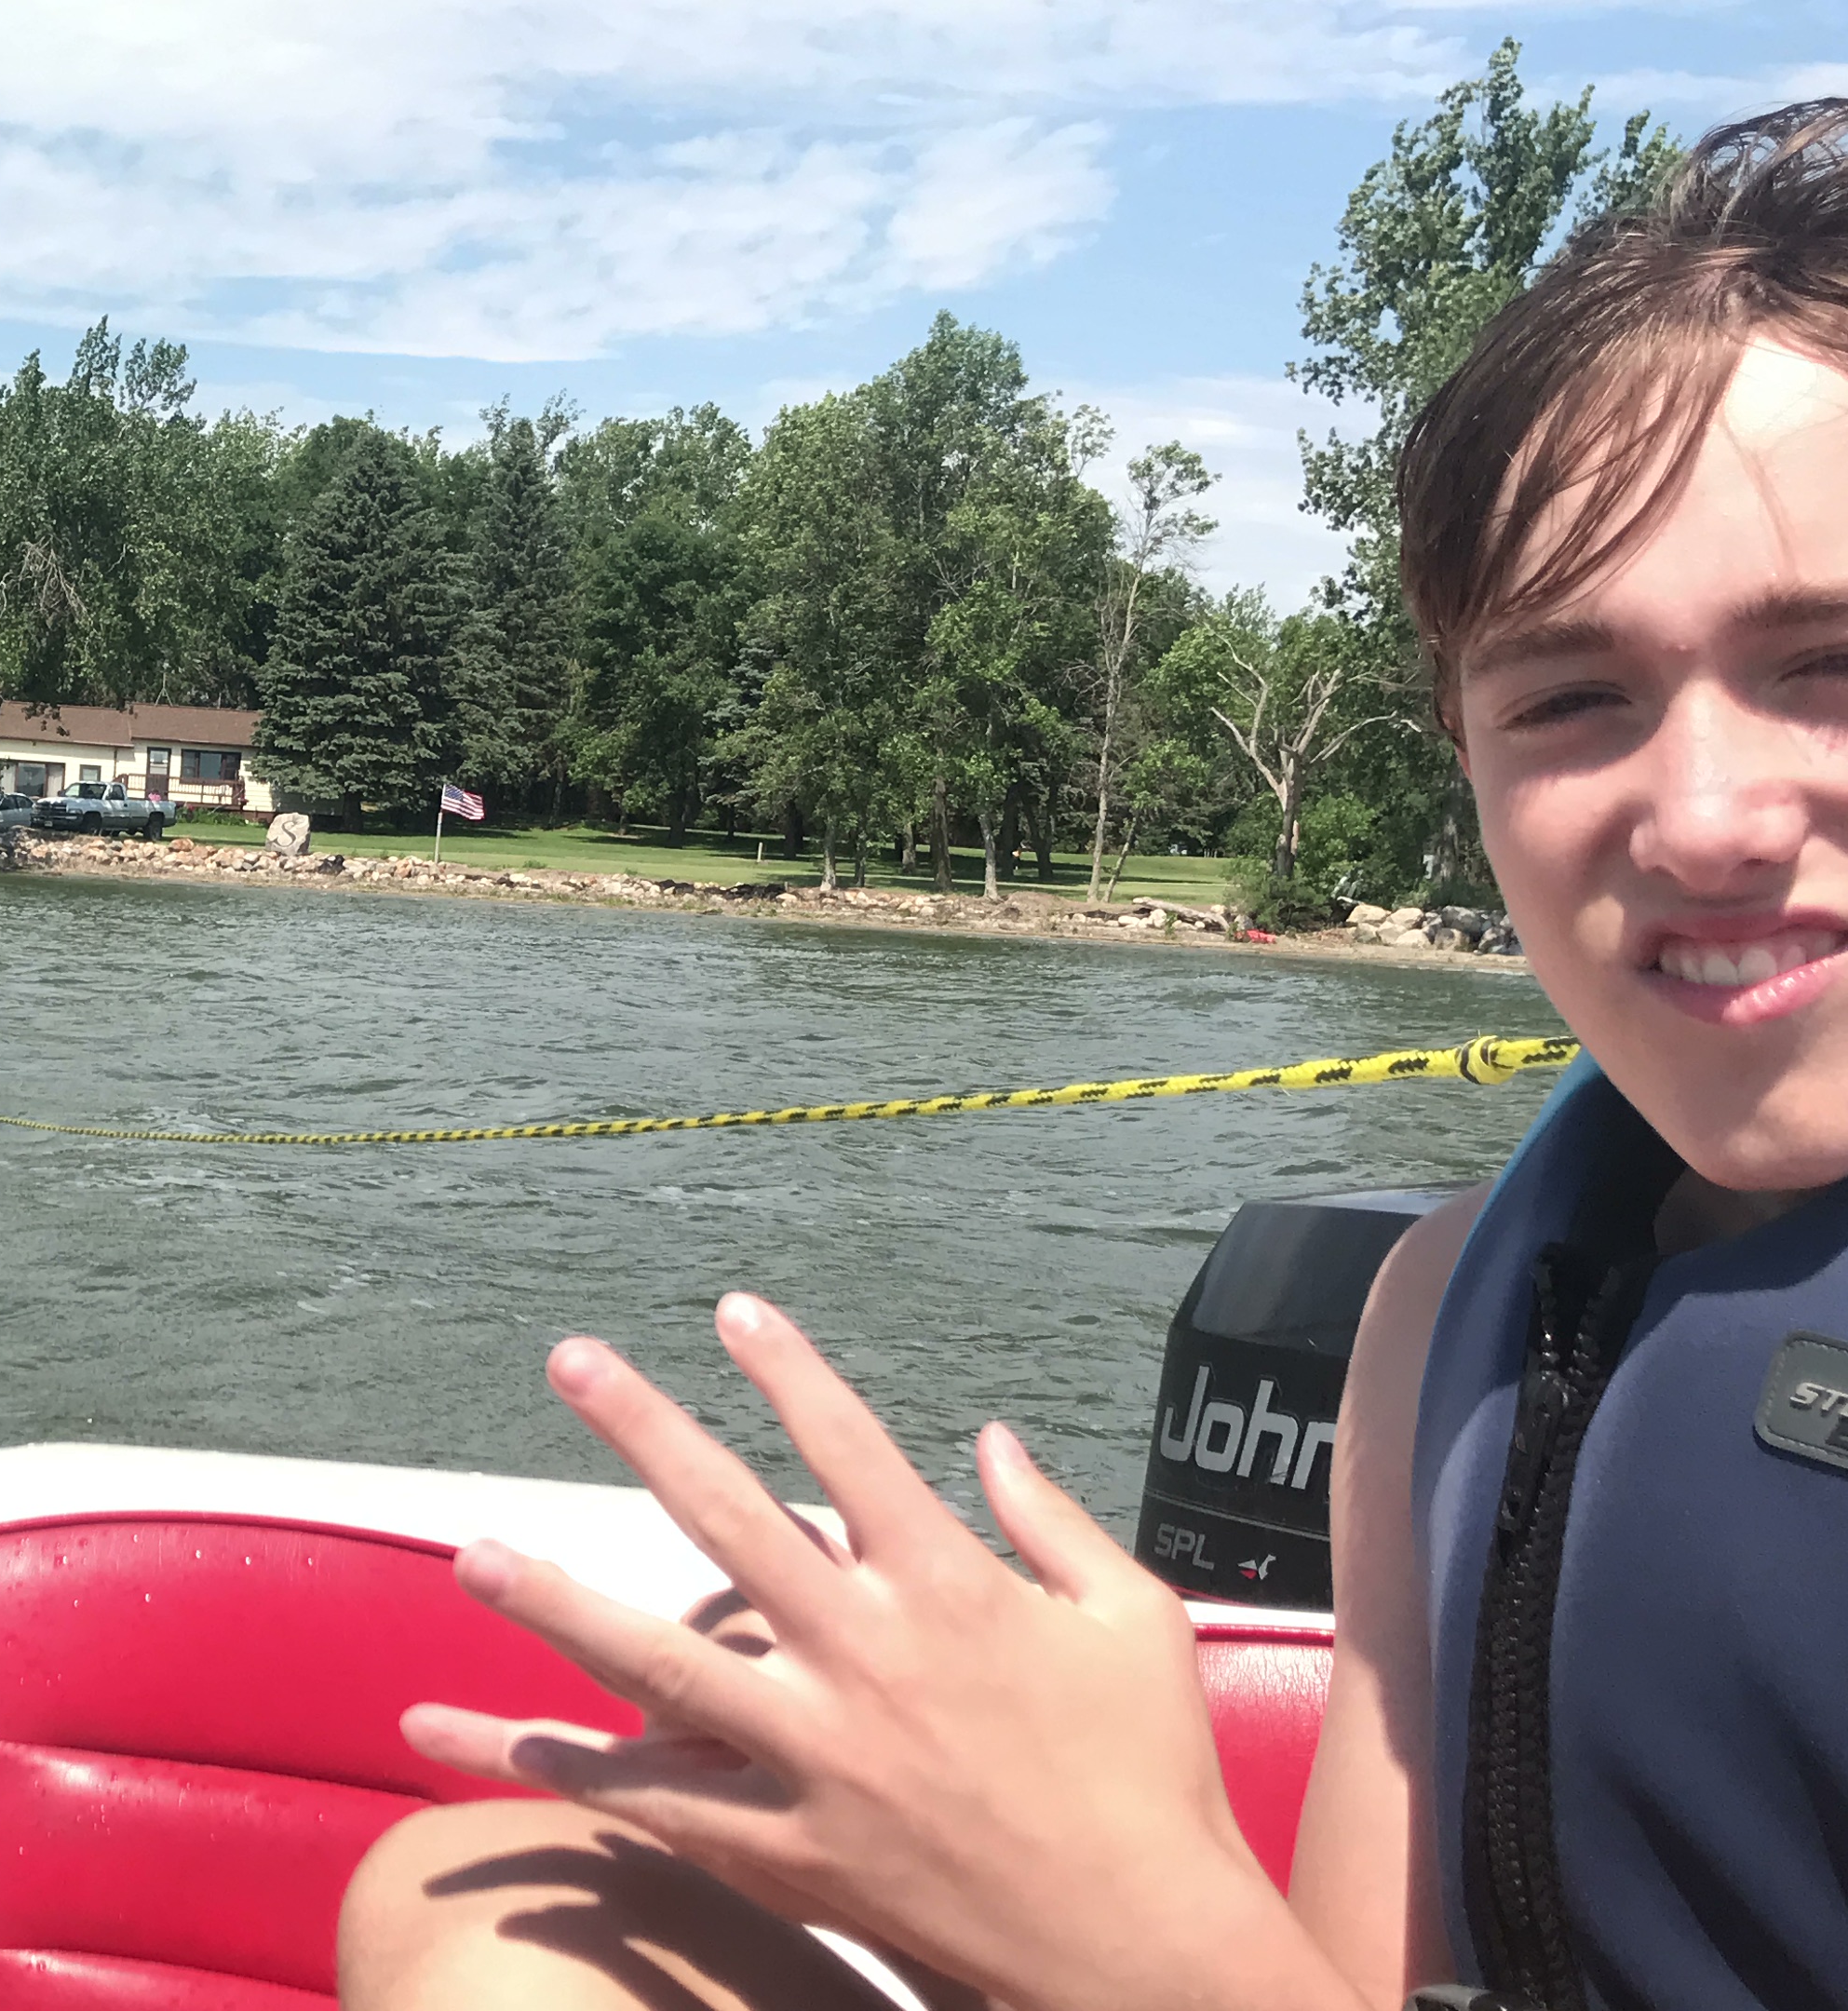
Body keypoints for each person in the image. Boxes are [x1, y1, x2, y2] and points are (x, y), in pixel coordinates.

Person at [340, 101, 1848, 2011]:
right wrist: (1005, 1838)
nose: (1704, 820)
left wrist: (1114, 1917)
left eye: (1830, 663)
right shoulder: (1436, 1316)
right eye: (1572, 695)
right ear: (1464, 755)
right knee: (492, 1907)